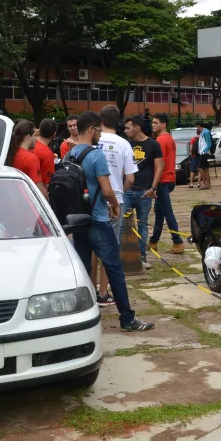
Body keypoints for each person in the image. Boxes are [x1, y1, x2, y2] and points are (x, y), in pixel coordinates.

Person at [68, 111, 154, 332]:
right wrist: (115, 206)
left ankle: (82, 316)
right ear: (91, 129)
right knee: (114, 267)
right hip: (98, 219)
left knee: (84, 268)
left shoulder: (71, 153)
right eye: (98, 130)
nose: (100, 134)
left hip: (79, 220)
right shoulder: (95, 155)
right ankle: (127, 318)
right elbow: (107, 190)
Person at [91, 105, 137, 306]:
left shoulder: (93, 141)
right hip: (116, 199)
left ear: (100, 122)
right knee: (111, 249)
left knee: (92, 247)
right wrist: (121, 192)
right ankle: (103, 293)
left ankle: (91, 290)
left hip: (93, 199)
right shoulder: (124, 144)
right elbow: (131, 178)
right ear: (118, 122)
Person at [122, 115, 163, 269]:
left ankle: (142, 257)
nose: (125, 131)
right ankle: (121, 256)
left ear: (137, 128)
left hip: (144, 191)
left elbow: (159, 167)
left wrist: (152, 188)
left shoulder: (153, 144)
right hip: (127, 190)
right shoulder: (126, 144)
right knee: (121, 223)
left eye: (128, 127)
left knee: (143, 224)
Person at [149, 113, 184, 254]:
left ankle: (178, 242)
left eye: (156, 122)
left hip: (163, 180)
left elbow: (160, 164)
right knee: (159, 211)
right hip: (169, 179)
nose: (153, 125)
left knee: (167, 212)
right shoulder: (169, 138)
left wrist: (154, 183)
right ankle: (153, 241)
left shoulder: (161, 140)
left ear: (163, 125)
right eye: (153, 122)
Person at [6, 120, 47, 199]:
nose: (36, 139)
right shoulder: (31, 158)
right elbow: (38, 187)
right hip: (26, 200)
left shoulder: (10, 153)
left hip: (11, 198)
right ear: (28, 137)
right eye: (35, 135)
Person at [33, 118, 58, 186]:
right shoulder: (47, 154)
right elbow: (47, 182)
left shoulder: (30, 143)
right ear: (54, 134)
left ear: (39, 130)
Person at [196, 121, 213, 190]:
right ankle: (207, 184)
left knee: (200, 168)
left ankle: (205, 183)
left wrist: (204, 151)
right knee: (205, 169)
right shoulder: (202, 132)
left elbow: (209, 143)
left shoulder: (206, 132)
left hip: (204, 153)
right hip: (202, 152)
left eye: (197, 126)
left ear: (200, 126)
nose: (196, 128)